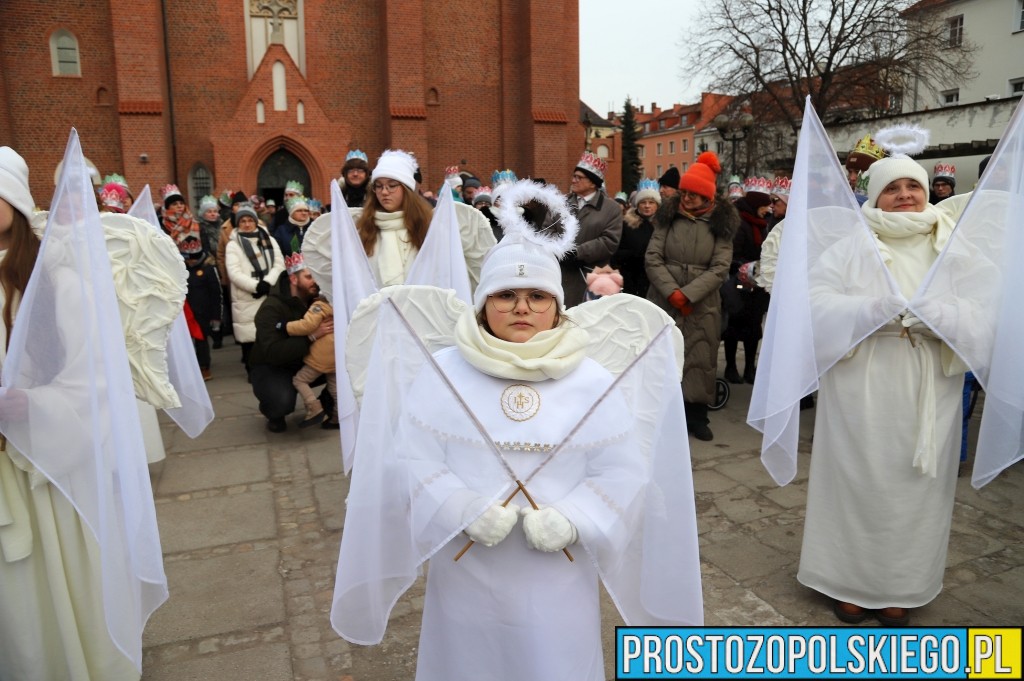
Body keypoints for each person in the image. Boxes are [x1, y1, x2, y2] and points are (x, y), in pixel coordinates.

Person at [331, 179, 703, 680]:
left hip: (558, 569)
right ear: (483, 303)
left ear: (557, 306)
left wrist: (575, 518)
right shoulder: (445, 370)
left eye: (537, 296)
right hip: (466, 566)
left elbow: (621, 470)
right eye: (505, 295)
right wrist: (460, 507)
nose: (522, 308)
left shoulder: (592, 379)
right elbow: (412, 457)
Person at [0, 146, 167, 679]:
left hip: (41, 462)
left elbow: (95, 374)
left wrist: (32, 405)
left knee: (55, 575)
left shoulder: (54, 280)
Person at [797, 140, 973, 627]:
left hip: (927, 379)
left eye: (913, 186)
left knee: (916, 487)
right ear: (875, 196)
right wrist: (868, 310)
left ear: (927, 192)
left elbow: (984, 307)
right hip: (861, 377)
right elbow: (812, 301)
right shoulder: (852, 245)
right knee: (856, 480)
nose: (904, 195)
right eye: (892, 188)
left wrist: (942, 318)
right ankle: (848, 583)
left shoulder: (952, 244)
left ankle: (901, 585)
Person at [646, 151, 737, 441]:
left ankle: (697, 417)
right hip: (664, 298)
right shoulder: (668, 216)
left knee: (700, 356)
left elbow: (720, 267)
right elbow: (653, 257)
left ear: (707, 197)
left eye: (693, 195)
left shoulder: (721, 223)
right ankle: (662, 416)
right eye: (684, 193)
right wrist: (672, 292)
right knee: (663, 357)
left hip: (702, 303)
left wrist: (688, 295)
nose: (686, 198)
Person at [248, 256, 333, 432]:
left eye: (316, 276)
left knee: (347, 374)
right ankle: (274, 412)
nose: (315, 282)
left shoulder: (317, 300)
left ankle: (326, 405)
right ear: (293, 279)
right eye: (309, 277)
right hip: (272, 366)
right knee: (281, 402)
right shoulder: (270, 308)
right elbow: (273, 352)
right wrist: (311, 336)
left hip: (308, 360)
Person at [356, 150, 436, 286]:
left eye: (392, 186)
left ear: (406, 189)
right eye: (378, 186)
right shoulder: (364, 229)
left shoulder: (426, 228)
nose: (384, 192)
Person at [722, 176, 773, 385]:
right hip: (739, 283)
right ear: (755, 203)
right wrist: (746, 267)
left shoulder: (762, 223)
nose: (768, 208)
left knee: (753, 329)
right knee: (734, 327)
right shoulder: (739, 222)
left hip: (757, 284)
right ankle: (731, 367)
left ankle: (750, 367)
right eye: (764, 205)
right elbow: (731, 253)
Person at [225, 201, 284, 371]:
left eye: (250, 220)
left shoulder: (269, 239)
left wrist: (267, 283)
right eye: (243, 221)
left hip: (268, 292)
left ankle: (270, 367)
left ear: (256, 221)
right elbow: (234, 272)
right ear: (238, 224)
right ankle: (252, 369)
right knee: (249, 336)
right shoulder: (233, 244)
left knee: (269, 332)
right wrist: (256, 286)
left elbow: (279, 263)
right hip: (247, 295)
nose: (247, 224)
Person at [280, 254, 337, 428]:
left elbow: (307, 325)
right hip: (336, 355)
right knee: (335, 388)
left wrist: (285, 327)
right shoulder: (337, 305)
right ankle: (338, 417)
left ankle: (314, 407)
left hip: (321, 356)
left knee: (299, 380)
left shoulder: (319, 306)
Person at [562, 152, 622, 307]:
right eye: (574, 176)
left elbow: (609, 241)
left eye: (579, 177)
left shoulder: (611, 209)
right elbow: (548, 230)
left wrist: (578, 252)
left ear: (593, 183)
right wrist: (559, 250)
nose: (573, 180)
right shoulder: (561, 203)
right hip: (561, 275)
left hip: (593, 278)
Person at [611, 177, 658, 297]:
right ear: (637, 204)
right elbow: (615, 253)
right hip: (631, 281)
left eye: (651, 202)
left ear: (657, 205)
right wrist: (633, 254)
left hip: (656, 281)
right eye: (643, 202)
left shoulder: (664, 225)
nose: (647, 206)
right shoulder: (626, 224)